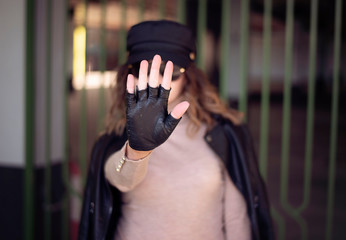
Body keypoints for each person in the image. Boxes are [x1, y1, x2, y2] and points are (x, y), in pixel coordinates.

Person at [79, 20, 274, 240]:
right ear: (129, 73)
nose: (159, 79)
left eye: (170, 70)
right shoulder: (115, 136)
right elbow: (119, 179)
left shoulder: (223, 132)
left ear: (189, 75)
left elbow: (236, 217)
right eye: (146, 68)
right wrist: (137, 150)